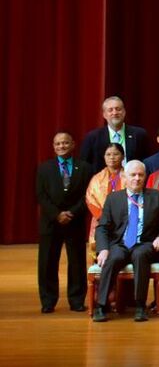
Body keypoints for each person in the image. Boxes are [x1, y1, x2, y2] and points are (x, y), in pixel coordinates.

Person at [91, 161, 159, 322]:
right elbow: (102, 228)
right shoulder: (113, 198)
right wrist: (103, 249)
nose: (137, 178)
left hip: (145, 243)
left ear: (145, 177)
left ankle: (140, 306)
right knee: (112, 258)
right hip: (120, 244)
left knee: (140, 255)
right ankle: (101, 306)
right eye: (133, 175)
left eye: (140, 175)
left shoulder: (157, 197)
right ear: (125, 177)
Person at [37, 131, 90, 313]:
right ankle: (48, 301)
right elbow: (41, 196)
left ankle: (76, 301)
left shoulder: (84, 168)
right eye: (58, 144)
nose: (62, 146)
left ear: (73, 144)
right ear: (53, 146)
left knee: (77, 263)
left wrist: (71, 213)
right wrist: (57, 214)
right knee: (47, 263)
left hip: (75, 221)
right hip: (51, 222)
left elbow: (87, 196)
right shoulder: (44, 168)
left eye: (65, 143)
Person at [80, 96, 152, 165]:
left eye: (118, 109)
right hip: (103, 177)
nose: (114, 113)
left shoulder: (139, 134)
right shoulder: (93, 137)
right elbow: (85, 164)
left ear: (124, 112)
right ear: (104, 115)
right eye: (110, 110)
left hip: (132, 176)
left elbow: (148, 161)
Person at [85, 143, 125, 248]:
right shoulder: (97, 178)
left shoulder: (129, 176)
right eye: (108, 154)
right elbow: (90, 199)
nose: (112, 157)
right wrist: (103, 217)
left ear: (123, 156)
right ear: (104, 157)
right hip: (101, 220)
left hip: (125, 220)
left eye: (116, 154)